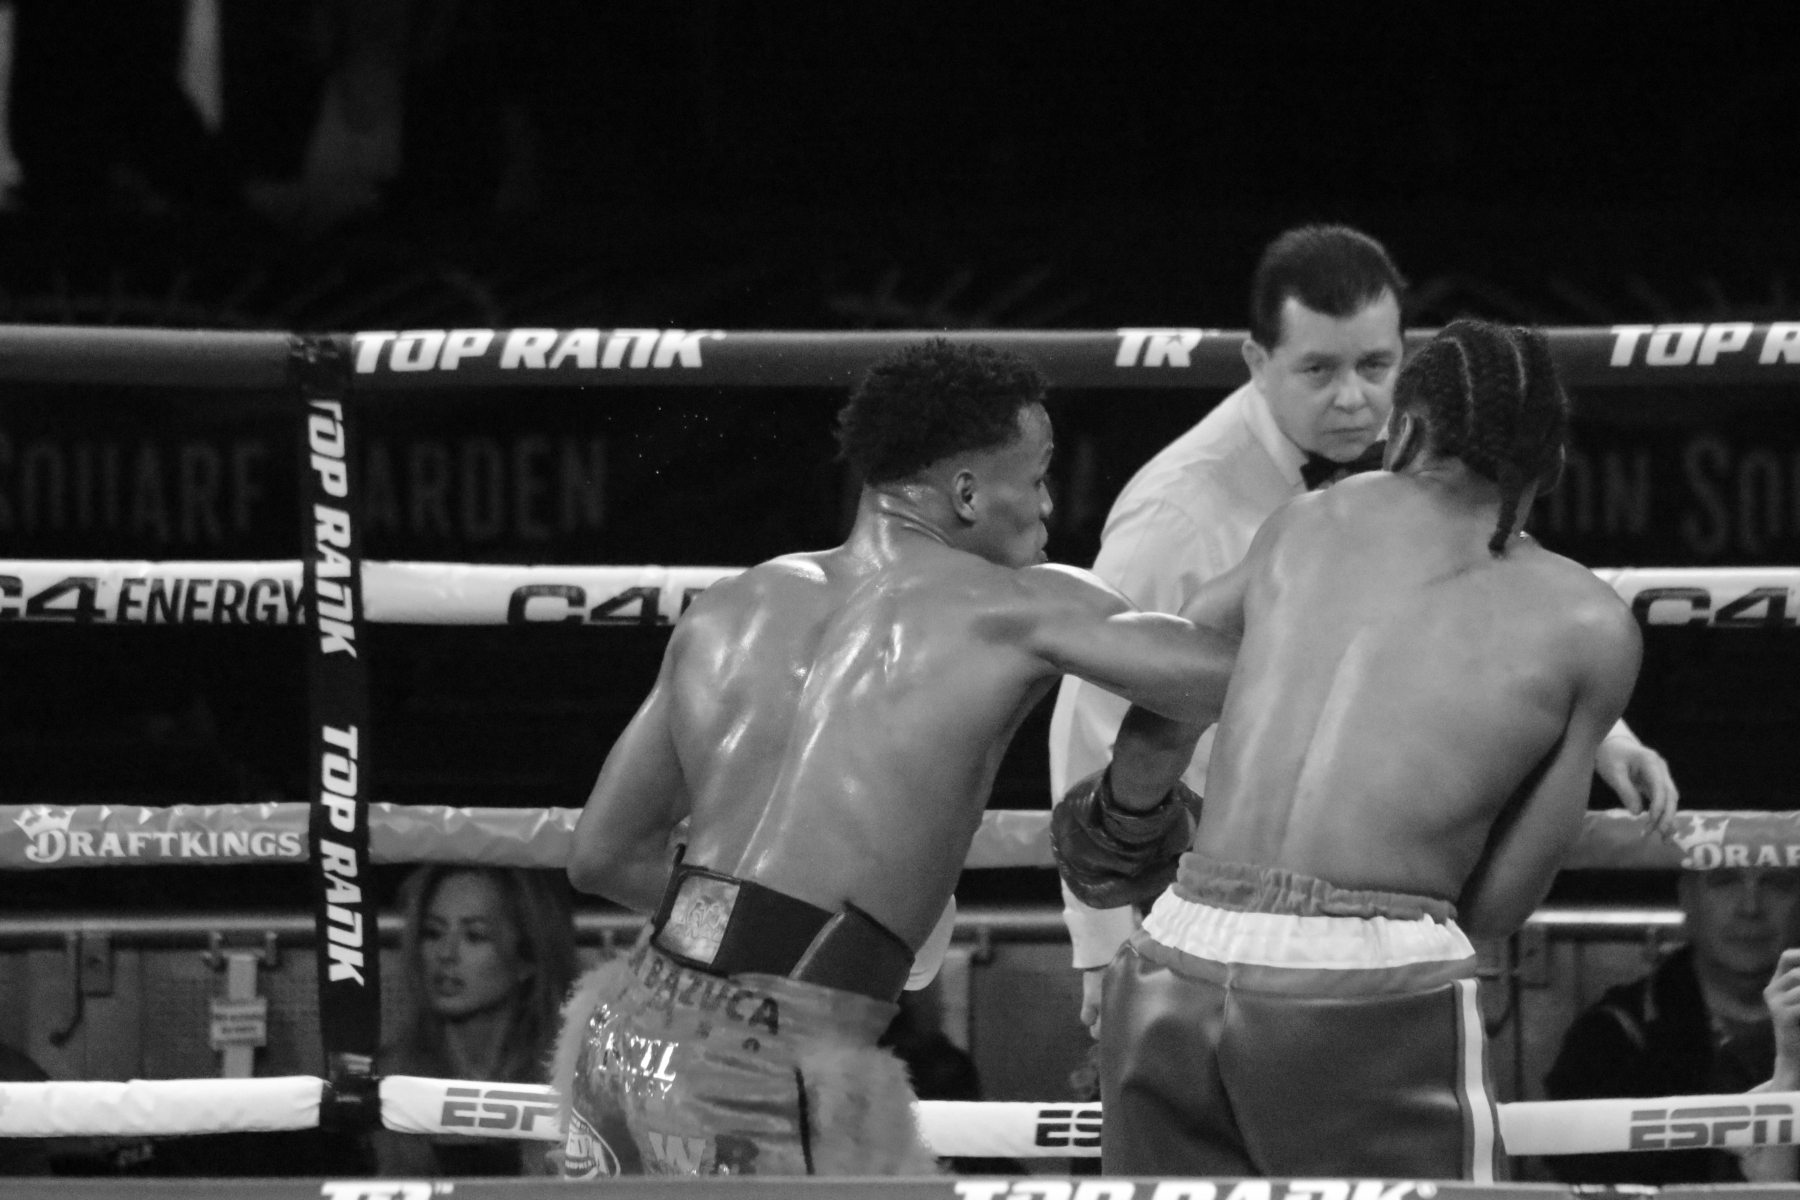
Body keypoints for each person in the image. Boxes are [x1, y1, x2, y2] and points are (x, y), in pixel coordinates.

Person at [553, 339, 1238, 1177]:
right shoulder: (1021, 608)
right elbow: (1235, 680)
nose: (1049, 504)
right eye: (1036, 477)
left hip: (624, 1036)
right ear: (967, 492)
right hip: (765, 1072)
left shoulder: (734, 603)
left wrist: (782, 937)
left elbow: (602, 854)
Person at [1055, 318, 1676, 1179]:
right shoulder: (1590, 624)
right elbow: (1498, 905)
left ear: (1406, 430)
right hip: (1359, 992)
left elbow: (1174, 686)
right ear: (1553, 466)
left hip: (1176, 955)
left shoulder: (1305, 521)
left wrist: (1128, 819)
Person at [1544, 866, 1800, 1184]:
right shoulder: (1610, 1037)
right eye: (1725, 881)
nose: (1750, 907)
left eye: (1777, 882)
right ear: (1687, 896)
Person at [372, 865, 577, 1177]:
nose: (446, 954)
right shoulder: (385, 1081)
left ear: (527, 958)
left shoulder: (570, 1084)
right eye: (433, 933)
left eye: (474, 936)